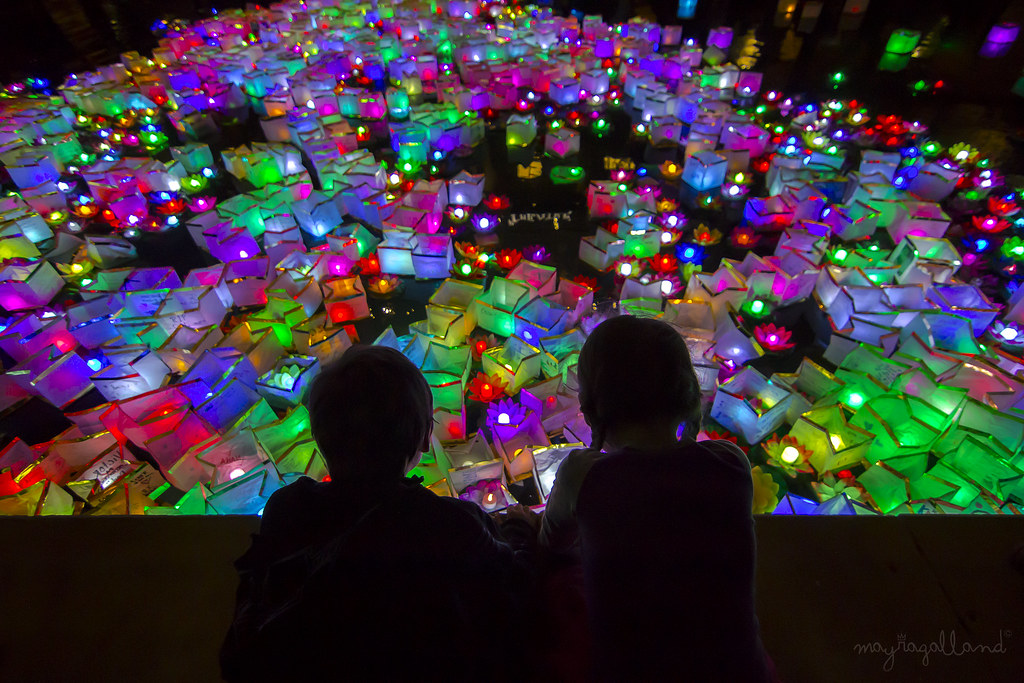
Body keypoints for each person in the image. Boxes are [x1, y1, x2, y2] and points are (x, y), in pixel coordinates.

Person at [222, 345, 530, 682]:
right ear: (425, 438)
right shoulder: (449, 523)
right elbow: (511, 583)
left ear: (321, 438)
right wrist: (518, 527)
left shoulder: (287, 508)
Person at [539, 315, 771, 682]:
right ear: (686, 391)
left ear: (590, 404)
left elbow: (551, 544)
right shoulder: (730, 464)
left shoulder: (584, 475)